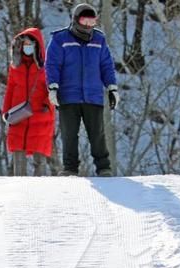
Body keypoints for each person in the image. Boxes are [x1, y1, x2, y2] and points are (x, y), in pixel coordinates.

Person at [45, 3, 119, 177]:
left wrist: (111, 87)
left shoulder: (99, 40)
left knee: (97, 135)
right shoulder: (60, 39)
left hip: (92, 96)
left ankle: (103, 167)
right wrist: (53, 87)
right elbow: (52, 65)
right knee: (69, 135)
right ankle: (70, 168)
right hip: (68, 96)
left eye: (91, 21)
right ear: (76, 20)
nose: (88, 25)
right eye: (84, 20)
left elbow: (106, 65)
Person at [1, 28, 55, 176]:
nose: (26, 47)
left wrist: (47, 104)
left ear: (36, 45)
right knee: (18, 152)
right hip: (18, 114)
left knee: (39, 154)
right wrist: (6, 111)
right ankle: (19, 184)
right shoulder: (15, 67)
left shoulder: (46, 67)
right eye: (23, 44)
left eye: (29, 44)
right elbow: (10, 89)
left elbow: (53, 88)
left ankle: (40, 186)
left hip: (40, 114)